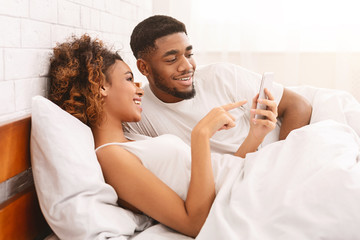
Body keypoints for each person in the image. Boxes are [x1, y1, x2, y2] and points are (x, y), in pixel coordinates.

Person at [48, 34, 277, 237]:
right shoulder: (111, 156)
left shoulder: (132, 140)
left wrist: (255, 136)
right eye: (129, 79)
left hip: (251, 178)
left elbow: (220, 177)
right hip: (247, 195)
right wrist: (201, 135)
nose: (139, 89)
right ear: (100, 86)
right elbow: (195, 224)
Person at [126, 15, 313, 155]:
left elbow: (299, 106)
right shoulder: (139, 114)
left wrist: (284, 159)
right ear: (144, 67)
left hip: (270, 158)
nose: (187, 66)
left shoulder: (221, 76)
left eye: (189, 55)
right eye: (172, 59)